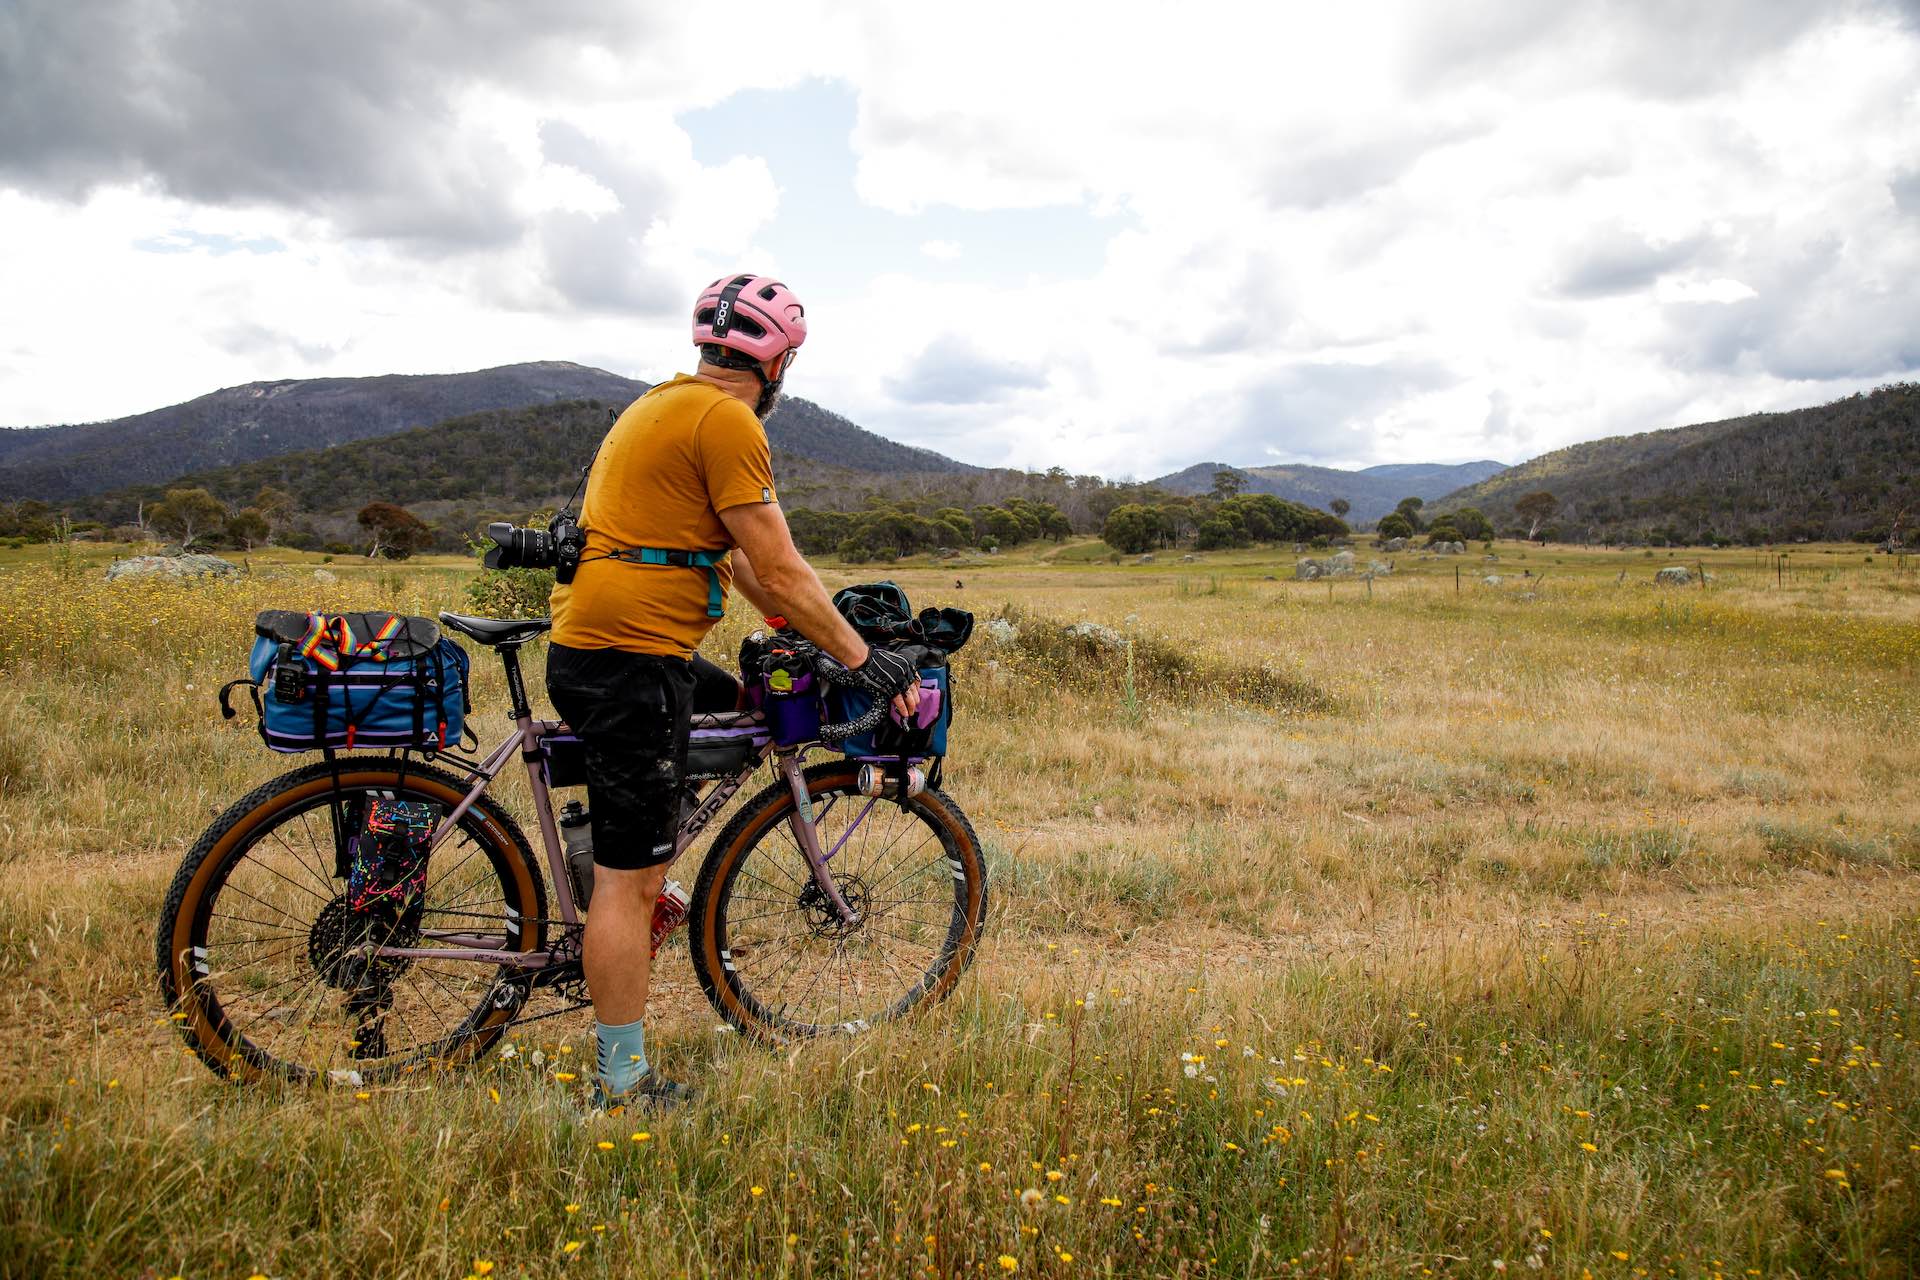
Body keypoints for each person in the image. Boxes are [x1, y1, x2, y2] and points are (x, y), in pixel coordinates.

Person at [545, 273, 920, 1110]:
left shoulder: (663, 405)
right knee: (628, 882)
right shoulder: (727, 422)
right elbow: (781, 563)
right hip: (629, 659)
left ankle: (613, 835)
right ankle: (621, 1082)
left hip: (609, 647)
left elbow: (739, 562)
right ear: (779, 361)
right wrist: (862, 659)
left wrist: (795, 631)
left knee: (739, 708)